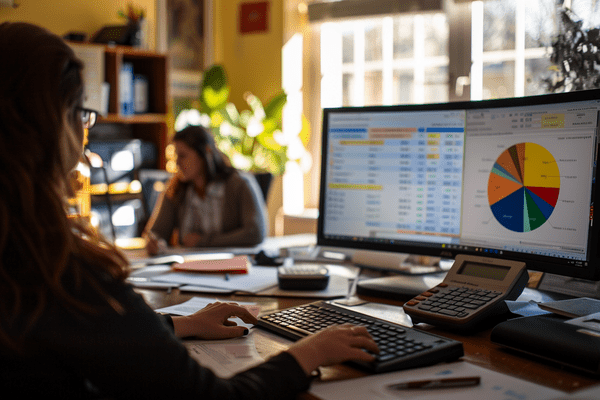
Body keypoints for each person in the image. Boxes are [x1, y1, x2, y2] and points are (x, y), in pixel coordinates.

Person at [0, 22, 379, 398]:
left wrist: (183, 324)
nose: (85, 131)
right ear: (55, 125)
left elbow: (92, 331)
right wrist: (310, 351)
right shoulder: (62, 274)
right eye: (83, 114)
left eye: (183, 155)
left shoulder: (22, 259)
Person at [143, 125, 268, 255]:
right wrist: (154, 242)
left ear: (206, 153)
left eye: (183, 156)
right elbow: (155, 233)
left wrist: (203, 241)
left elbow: (255, 232)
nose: (177, 163)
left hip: (231, 264)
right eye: (176, 157)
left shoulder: (239, 184)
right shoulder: (176, 188)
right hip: (187, 268)